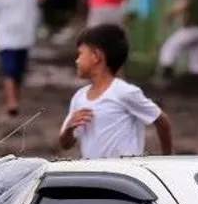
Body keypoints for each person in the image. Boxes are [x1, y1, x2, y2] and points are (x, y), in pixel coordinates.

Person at [59, 23, 173, 159]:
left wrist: (167, 159)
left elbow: (161, 120)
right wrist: (69, 129)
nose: (77, 60)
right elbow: (65, 144)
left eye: (81, 54)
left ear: (96, 56)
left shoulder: (125, 92)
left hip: (124, 175)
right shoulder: (79, 97)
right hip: (93, 175)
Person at [156, 0, 198, 82]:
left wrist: (169, 17)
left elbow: (181, 5)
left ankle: (167, 73)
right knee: (197, 61)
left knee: (169, 46)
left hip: (191, 30)